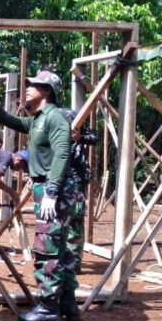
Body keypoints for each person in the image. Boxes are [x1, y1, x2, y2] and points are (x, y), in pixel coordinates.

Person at [0, 70, 78, 321]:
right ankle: (67, 306)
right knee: (62, 250)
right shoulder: (36, 120)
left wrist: (52, 191)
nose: (28, 88)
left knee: (47, 249)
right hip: (50, 188)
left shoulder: (55, 117)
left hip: (53, 189)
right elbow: (6, 118)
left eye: (34, 85)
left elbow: (62, 154)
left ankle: (48, 309)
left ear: (47, 91)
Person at [62, 108, 98, 277]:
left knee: (75, 219)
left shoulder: (79, 129)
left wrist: (79, 137)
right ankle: (64, 260)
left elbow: (93, 138)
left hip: (77, 178)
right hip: (61, 178)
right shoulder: (56, 129)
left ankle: (74, 263)